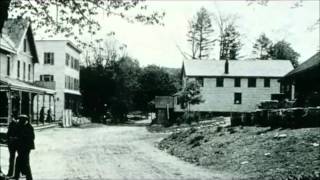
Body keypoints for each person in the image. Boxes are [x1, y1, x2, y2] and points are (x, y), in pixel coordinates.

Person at [12, 115, 35, 180]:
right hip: (21, 148)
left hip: (26, 148)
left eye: (20, 120)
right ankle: (16, 176)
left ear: (24, 120)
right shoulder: (22, 126)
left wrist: (21, 137)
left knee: (25, 163)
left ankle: (29, 178)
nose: (19, 121)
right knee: (19, 161)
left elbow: (32, 137)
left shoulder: (29, 127)